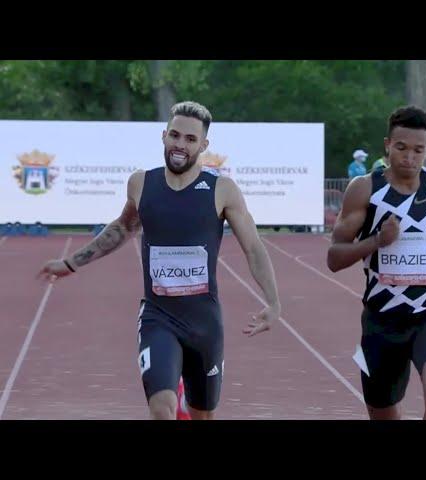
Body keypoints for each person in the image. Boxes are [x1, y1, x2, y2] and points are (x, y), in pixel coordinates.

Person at [38, 101, 281, 420]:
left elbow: (253, 247)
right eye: (175, 136)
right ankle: (171, 398)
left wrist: (273, 302)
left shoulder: (222, 191)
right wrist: (72, 263)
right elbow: (122, 228)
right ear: (164, 136)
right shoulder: (142, 184)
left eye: (191, 139)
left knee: (202, 415)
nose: (181, 145)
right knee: (161, 409)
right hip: (158, 317)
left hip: (204, 323)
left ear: (203, 145)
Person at [327, 105, 426, 420]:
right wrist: (377, 241)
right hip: (381, 321)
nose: (410, 157)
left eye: (419, 150)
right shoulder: (365, 189)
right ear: (387, 145)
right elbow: (334, 257)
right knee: (383, 411)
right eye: (402, 148)